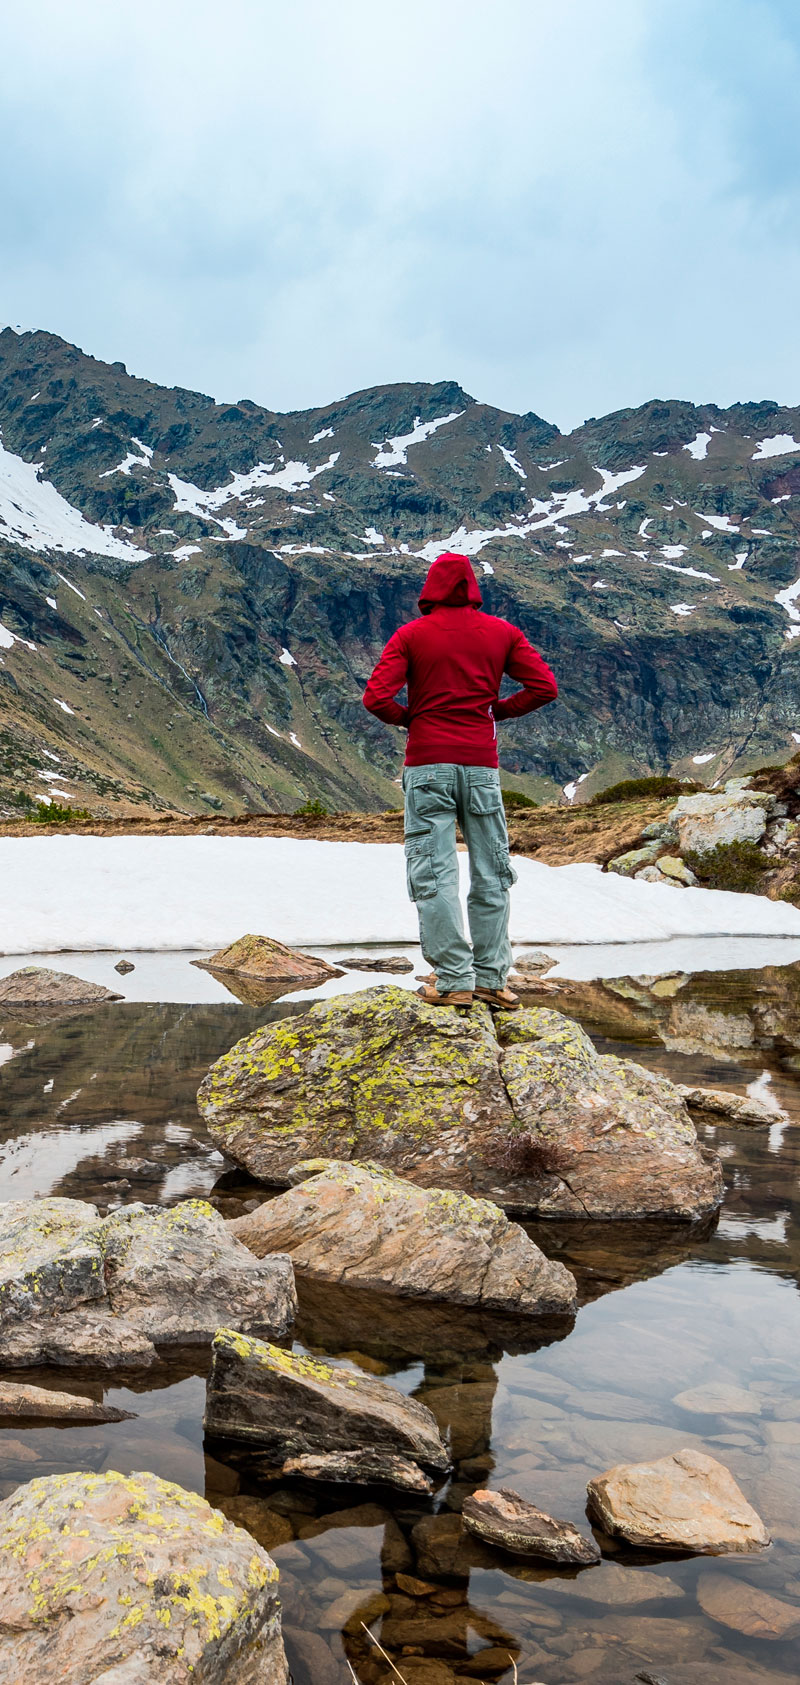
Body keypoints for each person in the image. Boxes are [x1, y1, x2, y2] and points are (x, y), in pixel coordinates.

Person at [363, 550, 558, 1008]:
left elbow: (375, 698)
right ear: (472, 589)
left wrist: (412, 719)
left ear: (430, 590)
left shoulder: (411, 635)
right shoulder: (503, 634)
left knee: (435, 872)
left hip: (428, 763)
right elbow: (544, 687)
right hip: (481, 766)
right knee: (491, 871)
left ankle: (453, 980)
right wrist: (498, 711)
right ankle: (492, 978)